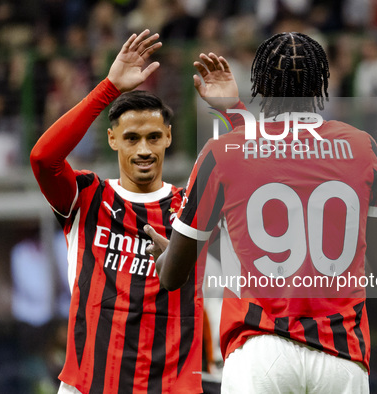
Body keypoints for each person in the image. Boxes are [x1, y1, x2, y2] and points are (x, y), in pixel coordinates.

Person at [145, 32, 377, 393]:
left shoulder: (222, 152)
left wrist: (163, 256)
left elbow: (173, 277)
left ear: (259, 84)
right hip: (342, 354)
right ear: (321, 82)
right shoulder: (363, 147)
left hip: (259, 352)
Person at [30, 29, 236, 394]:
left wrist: (230, 111)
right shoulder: (88, 196)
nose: (144, 149)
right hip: (89, 385)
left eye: (153, 137)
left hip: (169, 388)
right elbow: (44, 158)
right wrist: (109, 87)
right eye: (131, 138)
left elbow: (249, 177)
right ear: (112, 140)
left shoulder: (191, 205)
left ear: (168, 137)